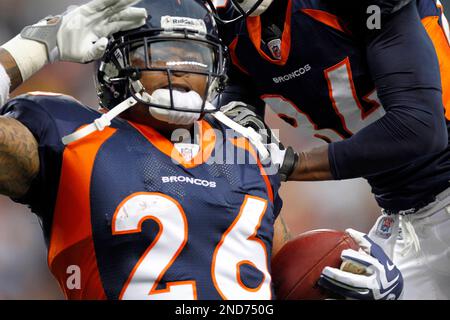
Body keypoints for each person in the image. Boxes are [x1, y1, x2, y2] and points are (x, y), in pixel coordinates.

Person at [0, 0, 402, 300]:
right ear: (112, 65)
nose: (183, 73)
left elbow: (278, 275)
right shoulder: (71, 133)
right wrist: (37, 46)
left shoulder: (242, 151)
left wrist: (346, 278)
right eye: (160, 54)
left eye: (195, 58)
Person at [209, 0, 450, 299]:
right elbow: (237, 88)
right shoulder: (231, 27)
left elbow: (420, 127)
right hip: (402, 215)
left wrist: (292, 163)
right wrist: (237, 118)